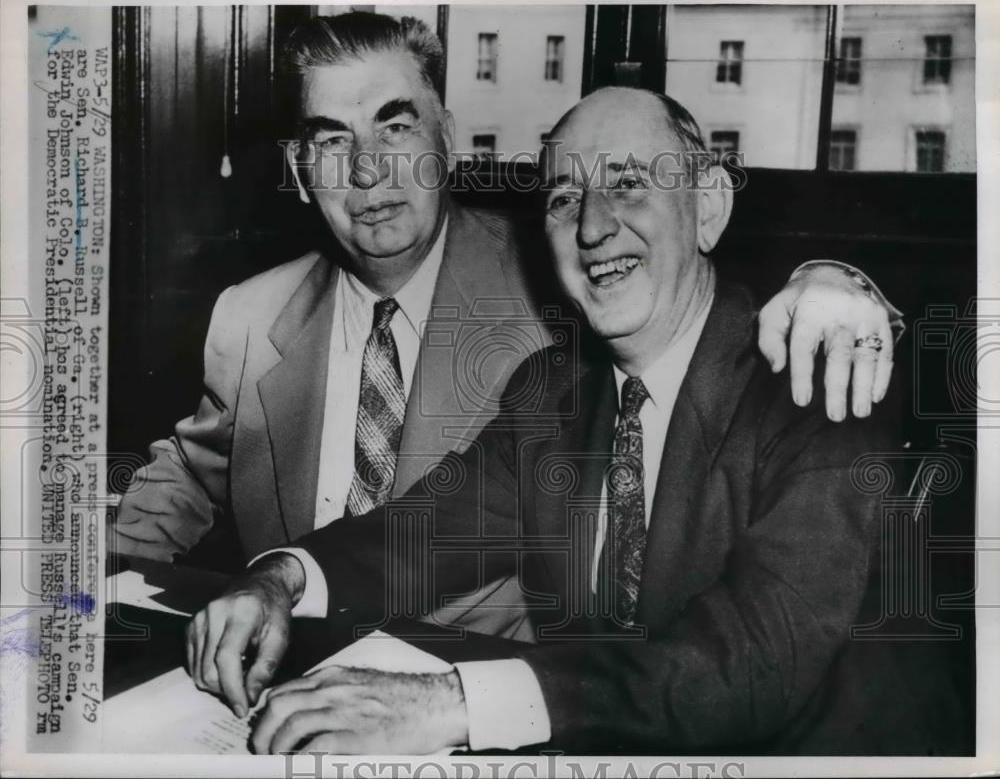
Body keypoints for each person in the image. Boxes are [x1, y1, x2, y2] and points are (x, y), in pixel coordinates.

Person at [186, 86, 967, 756]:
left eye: (628, 184)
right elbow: (423, 536)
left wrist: (449, 704)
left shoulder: (816, 381)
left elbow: (744, 669)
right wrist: (280, 579)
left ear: (709, 209)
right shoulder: (556, 391)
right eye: (563, 197)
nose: (592, 228)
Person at [115, 13, 901, 641]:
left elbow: (704, 306)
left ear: (446, 137)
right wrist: (112, 587)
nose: (366, 172)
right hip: (290, 655)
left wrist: (837, 281)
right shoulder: (249, 314)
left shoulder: (556, 286)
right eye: (331, 140)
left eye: (395, 128)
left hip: (503, 688)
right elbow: (198, 472)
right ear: (298, 164)